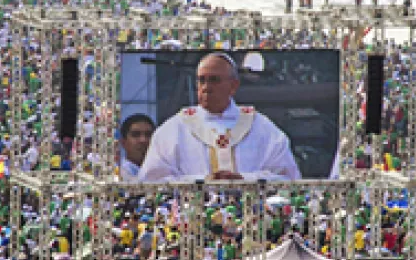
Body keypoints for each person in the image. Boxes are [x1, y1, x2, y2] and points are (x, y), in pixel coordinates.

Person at [139, 53, 300, 182]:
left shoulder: (262, 128)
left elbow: (287, 178)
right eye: (201, 80)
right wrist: (204, 182)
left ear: (233, 86)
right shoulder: (173, 130)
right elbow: (151, 182)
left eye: (214, 80)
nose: (206, 87)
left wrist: (244, 180)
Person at [119, 114, 155, 181]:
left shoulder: (164, 174)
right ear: (123, 142)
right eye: (135, 135)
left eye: (148, 135)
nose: (143, 140)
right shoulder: (115, 176)